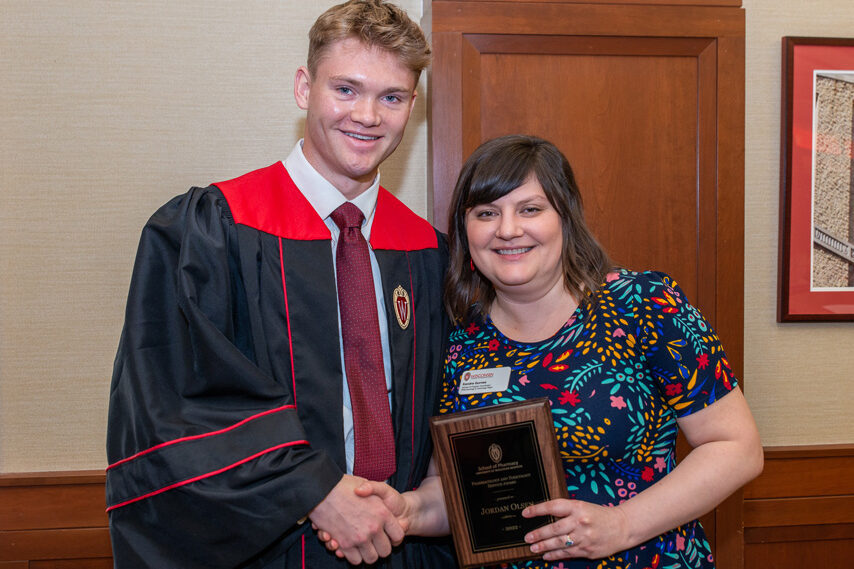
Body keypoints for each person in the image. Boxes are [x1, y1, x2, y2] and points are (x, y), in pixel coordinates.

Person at [105, 1, 455, 567]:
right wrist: (313, 489)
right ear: (304, 87)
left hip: (404, 544)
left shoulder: (428, 251)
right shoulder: (212, 230)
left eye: (391, 97)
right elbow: (174, 402)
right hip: (269, 548)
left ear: (411, 107)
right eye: (346, 88)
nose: (367, 115)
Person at [326, 134, 763, 568]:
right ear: (465, 229)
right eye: (486, 213)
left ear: (565, 217)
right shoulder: (459, 341)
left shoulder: (643, 304)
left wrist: (621, 524)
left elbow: (736, 448)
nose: (508, 229)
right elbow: (460, 491)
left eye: (530, 209)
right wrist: (410, 512)